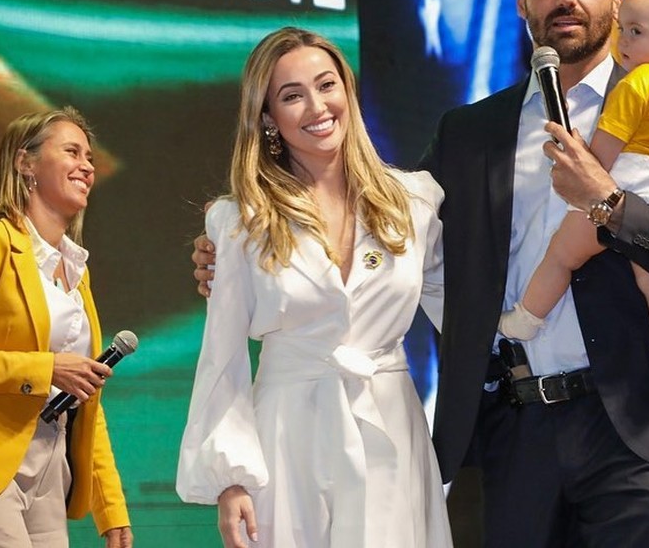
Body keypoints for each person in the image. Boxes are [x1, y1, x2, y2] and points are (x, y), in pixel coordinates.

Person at [194, 0, 649, 547]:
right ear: (523, 4)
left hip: (643, 426)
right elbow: (379, 220)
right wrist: (242, 250)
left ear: (616, 2)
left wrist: (612, 205)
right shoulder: (469, 133)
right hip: (518, 431)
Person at [175, 27, 451, 548]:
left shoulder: (414, 203)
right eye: (291, 95)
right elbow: (223, 358)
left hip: (391, 426)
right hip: (287, 436)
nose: (316, 106)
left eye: (326, 86)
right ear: (267, 118)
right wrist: (231, 477)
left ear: (347, 91)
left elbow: (465, 312)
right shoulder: (240, 222)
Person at [497, 0, 649, 393]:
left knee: (562, 256)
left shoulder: (639, 82)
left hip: (624, 198)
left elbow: (600, 160)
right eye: (625, 30)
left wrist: (584, 167)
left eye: (636, 32)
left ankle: (526, 317)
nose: (624, 42)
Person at [0, 107, 133, 547]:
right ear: (26, 163)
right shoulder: (1, 243)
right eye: (71, 151)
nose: (88, 166)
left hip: (51, 466)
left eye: (90, 157)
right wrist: (45, 370)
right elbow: (54, 371)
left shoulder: (75, 272)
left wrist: (111, 510)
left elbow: (88, 400)